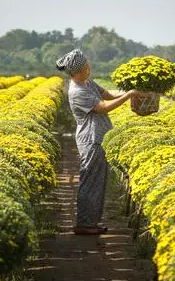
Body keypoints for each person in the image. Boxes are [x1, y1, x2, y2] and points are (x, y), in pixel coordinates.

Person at [55, 49, 138, 235]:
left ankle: (91, 223)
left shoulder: (86, 82)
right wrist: (129, 95)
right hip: (91, 139)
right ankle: (84, 224)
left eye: (88, 65)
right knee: (90, 182)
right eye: (86, 67)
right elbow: (102, 107)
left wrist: (131, 91)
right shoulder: (77, 91)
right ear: (76, 72)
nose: (89, 69)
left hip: (98, 137)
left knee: (97, 182)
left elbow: (107, 94)